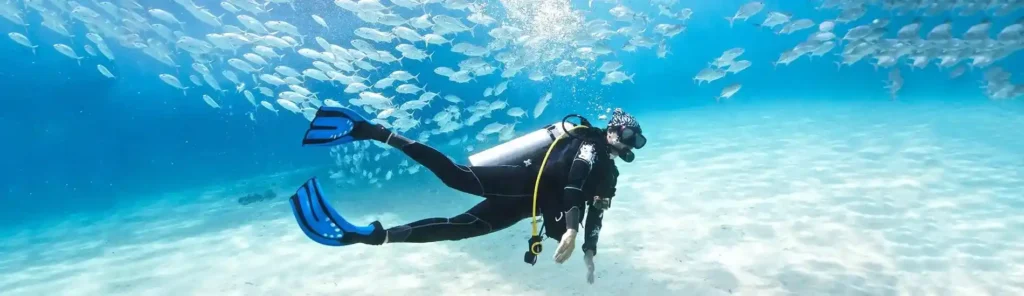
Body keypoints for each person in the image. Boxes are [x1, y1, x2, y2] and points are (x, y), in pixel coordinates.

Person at [289, 106, 646, 283]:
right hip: (522, 181)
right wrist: (569, 228)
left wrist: (589, 250)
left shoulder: (609, 174)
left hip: (527, 205)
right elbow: (573, 182)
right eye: (630, 136)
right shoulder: (590, 145)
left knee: (461, 227)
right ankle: (375, 131)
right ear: (612, 131)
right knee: (454, 176)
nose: (631, 145)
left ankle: (375, 236)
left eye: (637, 142)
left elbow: (597, 212)